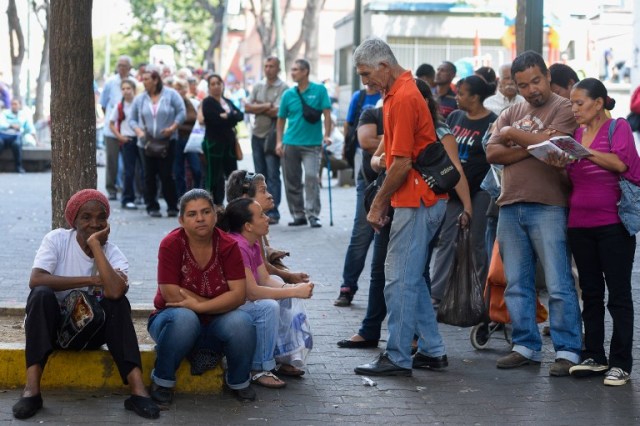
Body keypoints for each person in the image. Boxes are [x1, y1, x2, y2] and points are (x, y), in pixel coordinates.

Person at [337, 78, 471, 350]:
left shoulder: (439, 132)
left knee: (410, 276)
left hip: (420, 206)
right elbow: (375, 159)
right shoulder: (397, 125)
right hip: (393, 203)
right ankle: (381, 332)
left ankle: (407, 344)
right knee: (385, 271)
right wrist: (383, 160)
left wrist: (467, 207)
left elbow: (454, 172)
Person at [12, 189, 159, 420]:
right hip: (53, 332)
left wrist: (96, 246)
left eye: (101, 217)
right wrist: (91, 280)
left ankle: (138, 392)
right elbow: (36, 279)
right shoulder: (57, 239)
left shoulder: (114, 253)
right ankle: (31, 391)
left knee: (118, 304)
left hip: (89, 333)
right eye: (86, 217)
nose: (95, 223)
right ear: (74, 221)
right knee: (40, 295)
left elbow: (115, 291)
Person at [351, 38, 449, 377]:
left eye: (366, 74)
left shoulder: (404, 96)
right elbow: (393, 157)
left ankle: (397, 356)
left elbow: (402, 162)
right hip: (416, 199)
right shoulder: (395, 95)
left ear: (383, 65)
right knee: (411, 279)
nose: (365, 83)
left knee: (398, 280)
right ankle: (432, 350)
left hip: (418, 199)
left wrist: (378, 204)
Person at [485, 50, 582, 376]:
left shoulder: (565, 107)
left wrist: (513, 136)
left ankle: (568, 350)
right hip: (510, 205)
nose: (531, 90)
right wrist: (531, 145)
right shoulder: (512, 110)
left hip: (550, 206)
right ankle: (525, 346)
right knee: (516, 283)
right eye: (523, 84)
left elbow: (556, 145)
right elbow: (492, 152)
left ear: (547, 76)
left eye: (536, 81)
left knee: (558, 283)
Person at [544, 79, 640, 386]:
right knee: (592, 294)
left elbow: (621, 164)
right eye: (572, 103)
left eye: (579, 103)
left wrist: (584, 153)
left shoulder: (618, 128)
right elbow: (572, 183)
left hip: (613, 225)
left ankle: (621, 363)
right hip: (580, 225)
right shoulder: (576, 135)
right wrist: (560, 165)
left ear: (599, 103)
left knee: (619, 295)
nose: (574, 109)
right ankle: (595, 356)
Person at [147, 189, 257, 403]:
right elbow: (170, 294)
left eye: (206, 212)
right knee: (184, 319)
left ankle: (238, 381)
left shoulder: (228, 245)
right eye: (192, 214)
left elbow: (238, 296)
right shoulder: (171, 244)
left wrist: (198, 306)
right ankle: (162, 381)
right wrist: (216, 303)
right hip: (170, 321)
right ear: (181, 220)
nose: (200, 218)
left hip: (216, 322)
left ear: (215, 216)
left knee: (243, 323)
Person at [222, 198, 315, 388]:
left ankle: (278, 357)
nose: (267, 218)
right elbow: (253, 292)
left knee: (279, 290)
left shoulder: (253, 243)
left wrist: (290, 290)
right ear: (248, 226)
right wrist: (294, 291)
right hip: (227, 308)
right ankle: (259, 368)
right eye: (261, 215)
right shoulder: (237, 246)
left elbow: (264, 279)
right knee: (268, 306)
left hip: (243, 302)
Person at [430, 75, 496, 304]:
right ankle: (437, 295)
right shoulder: (456, 117)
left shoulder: (492, 121)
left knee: (476, 242)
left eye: (461, 93)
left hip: (480, 190)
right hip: (453, 188)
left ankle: (479, 298)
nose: (456, 97)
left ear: (476, 97)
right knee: (447, 240)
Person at [334, 85, 381, 306]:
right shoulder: (371, 110)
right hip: (370, 180)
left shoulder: (404, 110)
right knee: (361, 234)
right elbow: (366, 141)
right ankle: (347, 286)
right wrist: (389, 139)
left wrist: (380, 138)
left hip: (397, 182)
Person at [226, 170, 311, 285]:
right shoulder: (247, 231)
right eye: (263, 191)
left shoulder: (254, 225)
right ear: (245, 199)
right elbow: (264, 268)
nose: (269, 195)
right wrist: (289, 277)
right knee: (279, 284)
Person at [276, 59, 332, 228]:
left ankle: (313, 214)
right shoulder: (288, 94)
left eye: (296, 69)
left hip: (313, 144)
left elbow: (327, 115)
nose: (292, 72)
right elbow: (280, 120)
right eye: (292, 69)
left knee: (311, 177)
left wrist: (327, 135)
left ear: (306, 71)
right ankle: (298, 214)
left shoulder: (320, 90)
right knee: (291, 180)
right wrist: (279, 142)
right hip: (290, 142)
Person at [130, 66, 185, 218]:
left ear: (155, 80)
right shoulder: (140, 98)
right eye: (143, 79)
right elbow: (132, 119)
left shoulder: (171, 94)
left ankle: (172, 206)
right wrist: (139, 131)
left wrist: (173, 128)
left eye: (147, 79)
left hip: (167, 141)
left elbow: (182, 112)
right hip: (146, 143)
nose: (144, 82)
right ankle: (152, 206)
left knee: (166, 174)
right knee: (148, 175)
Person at [245, 57, 289, 224]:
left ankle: (274, 211)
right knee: (259, 175)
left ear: (278, 68)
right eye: (266, 66)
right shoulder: (258, 86)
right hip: (257, 135)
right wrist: (267, 105)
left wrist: (259, 106)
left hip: (272, 137)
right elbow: (247, 107)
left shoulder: (284, 87)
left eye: (271, 66)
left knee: (272, 175)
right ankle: (261, 209)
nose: (268, 69)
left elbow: (279, 112)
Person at [199, 74, 244, 205]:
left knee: (233, 176)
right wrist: (230, 117)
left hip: (229, 144)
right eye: (213, 84)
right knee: (214, 176)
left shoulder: (227, 101)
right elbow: (213, 119)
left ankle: (235, 203)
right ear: (208, 87)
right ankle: (215, 204)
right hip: (214, 144)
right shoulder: (207, 102)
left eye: (219, 83)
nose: (216, 86)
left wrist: (227, 116)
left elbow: (240, 115)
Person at [101, 55, 133, 201]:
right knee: (112, 161)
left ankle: (129, 189)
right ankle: (111, 189)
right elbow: (103, 104)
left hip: (129, 129)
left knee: (130, 162)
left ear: (129, 68)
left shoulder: (134, 83)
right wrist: (112, 118)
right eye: (119, 65)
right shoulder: (110, 83)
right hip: (112, 129)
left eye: (124, 65)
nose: (121, 68)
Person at [109, 78, 142, 210]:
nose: (126, 91)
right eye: (123, 89)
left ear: (133, 89)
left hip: (141, 139)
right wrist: (120, 137)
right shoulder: (120, 106)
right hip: (127, 140)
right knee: (129, 171)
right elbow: (111, 123)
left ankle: (142, 196)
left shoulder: (139, 103)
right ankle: (127, 198)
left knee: (143, 170)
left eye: (128, 88)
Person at [172, 78, 202, 197]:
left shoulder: (193, 103)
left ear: (186, 90)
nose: (179, 91)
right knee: (178, 171)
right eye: (176, 89)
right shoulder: (171, 105)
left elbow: (199, 121)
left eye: (181, 88)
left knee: (197, 170)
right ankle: (182, 196)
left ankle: (197, 194)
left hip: (191, 140)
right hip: (177, 140)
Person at [0, 98, 36, 173]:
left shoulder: (23, 115)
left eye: (15, 104)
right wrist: (11, 126)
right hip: (3, 135)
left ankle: (18, 167)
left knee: (17, 144)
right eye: (12, 104)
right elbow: (1, 124)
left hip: (16, 137)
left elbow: (30, 128)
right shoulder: (4, 113)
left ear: (19, 105)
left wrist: (36, 140)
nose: (14, 106)